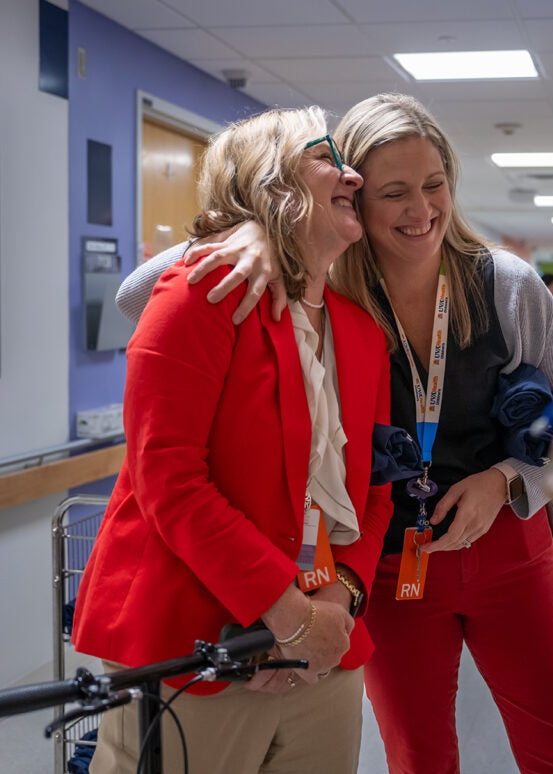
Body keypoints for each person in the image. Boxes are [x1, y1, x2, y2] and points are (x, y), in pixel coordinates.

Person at [119, 93, 553, 774]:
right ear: (356, 199)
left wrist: (510, 479)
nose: (422, 210)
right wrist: (250, 229)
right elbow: (138, 294)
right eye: (394, 192)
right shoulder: (327, 288)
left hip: (509, 549)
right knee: (418, 753)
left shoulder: (503, 284)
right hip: (393, 564)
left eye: (435, 186)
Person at [70, 106, 394, 774]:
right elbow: (171, 481)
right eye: (327, 156)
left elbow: (373, 495)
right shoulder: (201, 294)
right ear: (272, 182)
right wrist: (285, 615)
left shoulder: (361, 336)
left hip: (323, 659)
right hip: (196, 647)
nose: (353, 174)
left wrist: (334, 609)